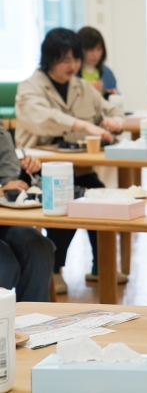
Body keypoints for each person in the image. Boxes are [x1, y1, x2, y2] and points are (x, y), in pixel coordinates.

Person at [14, 28, 126, 294]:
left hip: (76, 167)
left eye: (75, 59)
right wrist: (84, 125)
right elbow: (43, 117)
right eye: (65, 60)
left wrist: (116, 122)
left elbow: (112, 108)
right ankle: (54, 267)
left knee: (99, 195)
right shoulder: (29, 88)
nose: (72, 65)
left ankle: (102, 266)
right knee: (68, 198)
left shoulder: (80, 86)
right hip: (35, 169)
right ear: (49, 59)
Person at [0, 127, 55, 302]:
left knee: (38, 247)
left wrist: (28, 172)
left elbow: (12, 182)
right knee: (5, 265)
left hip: (5, 221)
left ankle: (32, 324)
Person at [77, 26, 118, 98]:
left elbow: (116, 98)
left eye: (99, 49)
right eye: (90, 50)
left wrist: (114, 96)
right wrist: (87, 90)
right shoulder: (72, 73)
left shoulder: (106, 72)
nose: (95, 55)